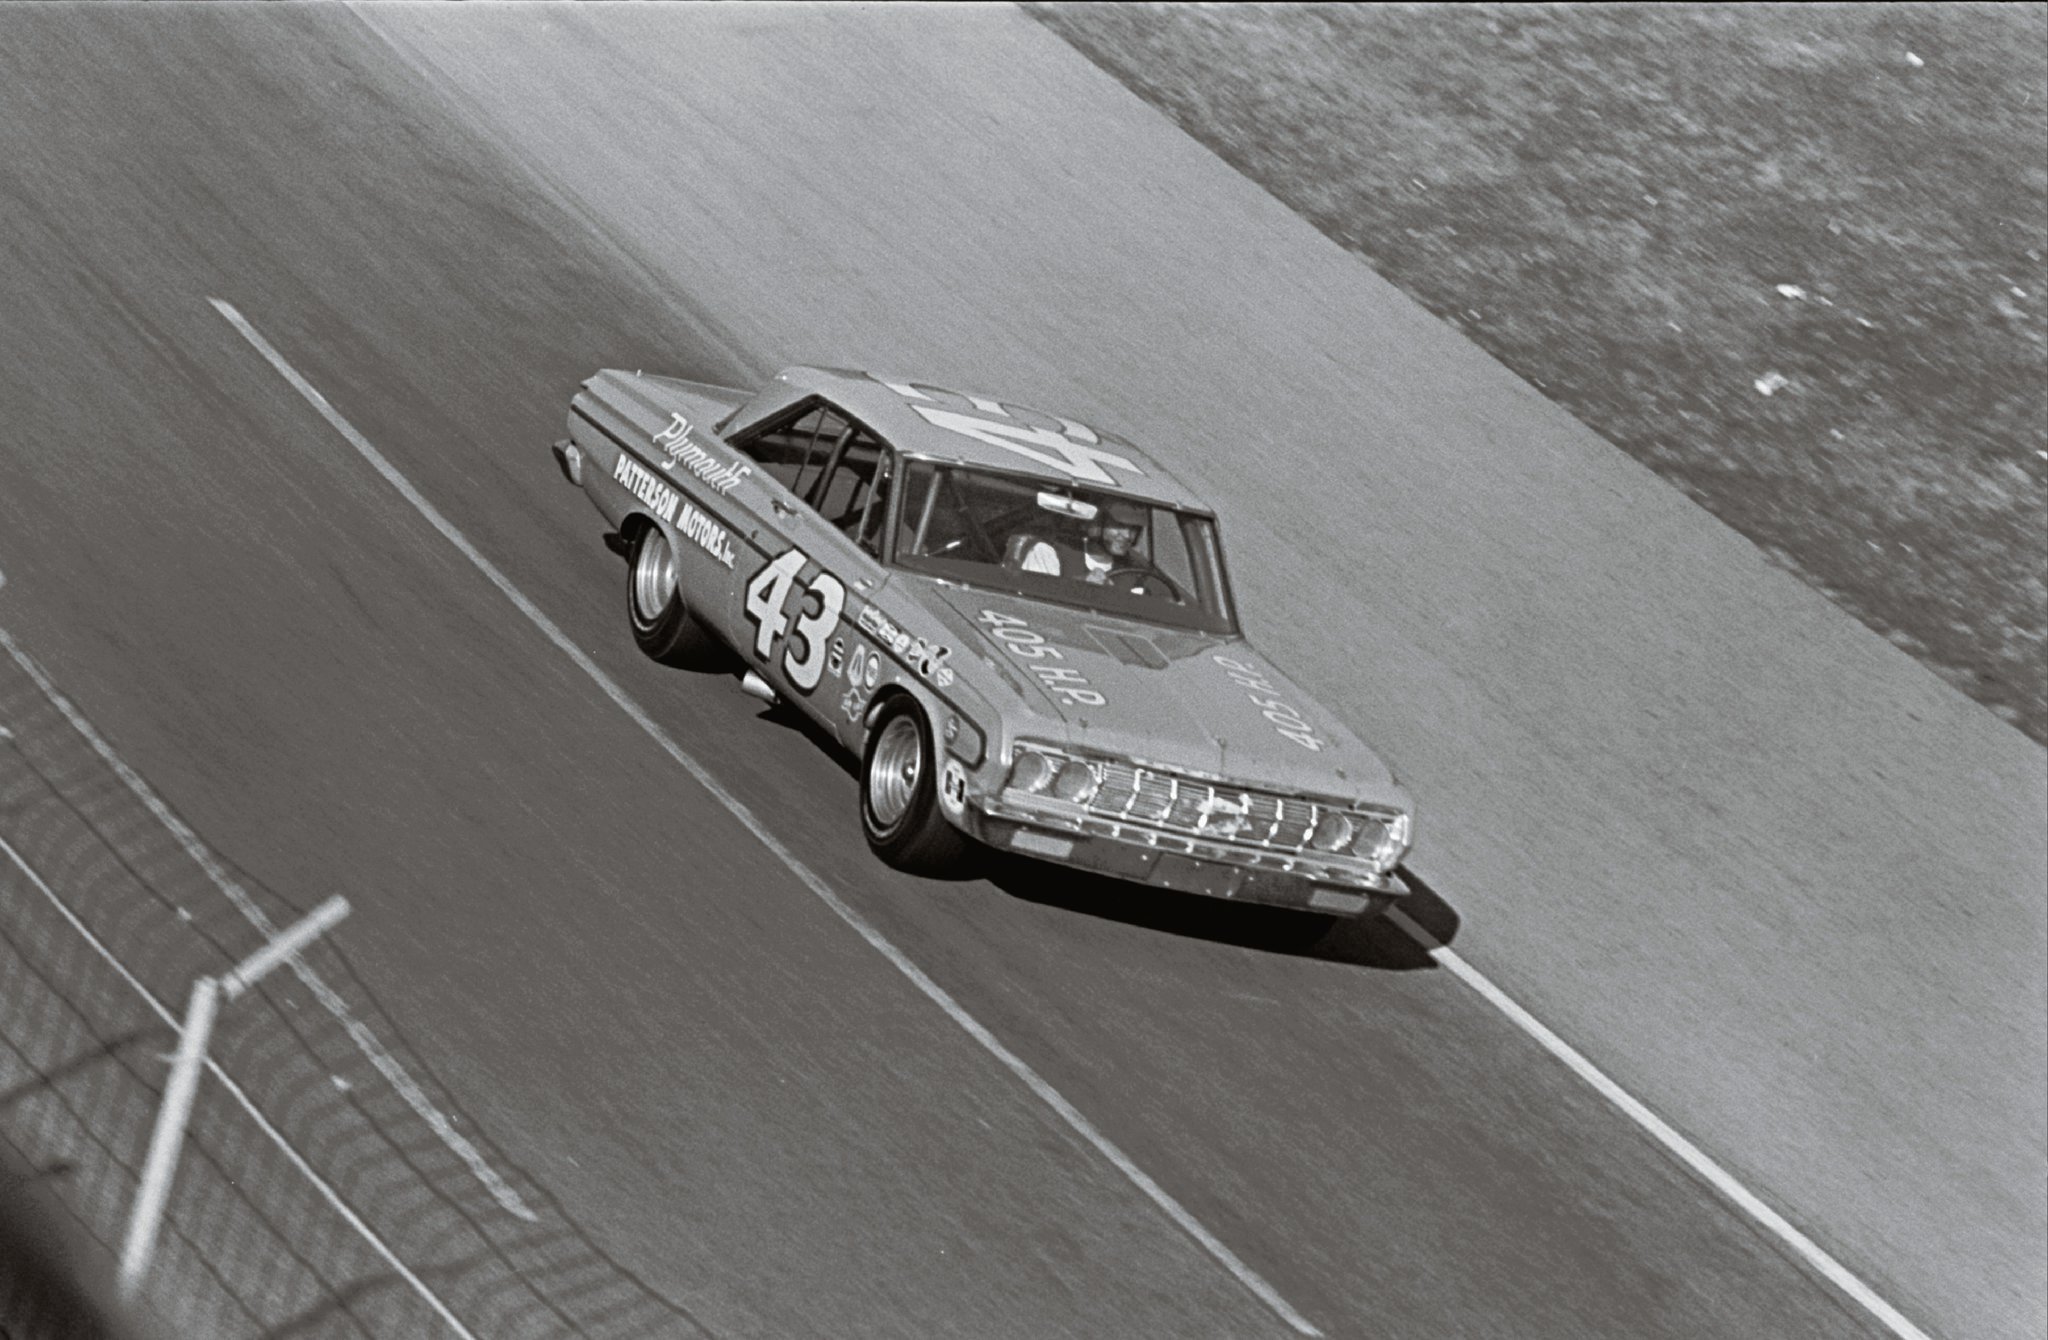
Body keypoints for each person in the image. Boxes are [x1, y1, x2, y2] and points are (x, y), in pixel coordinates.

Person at [1011, 499, 1150, 584]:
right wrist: (1080, 586)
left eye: (1134, 528)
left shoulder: (1138, 570)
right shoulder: (1049, 552)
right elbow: (1034, 604)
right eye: (1118, 526)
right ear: (1095, 523)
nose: (1127, 535)